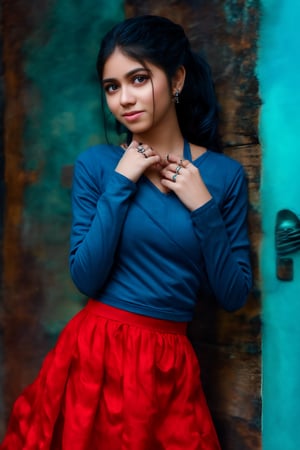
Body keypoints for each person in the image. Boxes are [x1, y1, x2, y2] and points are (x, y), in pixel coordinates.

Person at [0, 14, 252, 450]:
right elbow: (85, 276)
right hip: (96, 357)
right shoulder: (97, 166)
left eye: (138, 79)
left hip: (169, 363)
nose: (123, 99)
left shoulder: (223, 176)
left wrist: (203, 207)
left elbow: (232, 295)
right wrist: (121, 181)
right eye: (112, 87)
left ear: (176, 79)